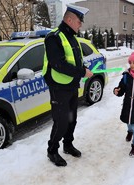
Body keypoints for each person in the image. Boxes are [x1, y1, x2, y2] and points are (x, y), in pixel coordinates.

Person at [42, 4, 93, 167]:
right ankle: (52, 150)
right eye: (79, 21)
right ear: (69, 19)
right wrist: (81, 72)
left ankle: (68, 145)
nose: (81, 25)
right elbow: (58, 64)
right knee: (61, 121)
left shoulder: (72, 37)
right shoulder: (54, 37)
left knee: (72, 120)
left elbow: (76, 61)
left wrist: (83, 69)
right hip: (58, 87)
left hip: (71, 86)